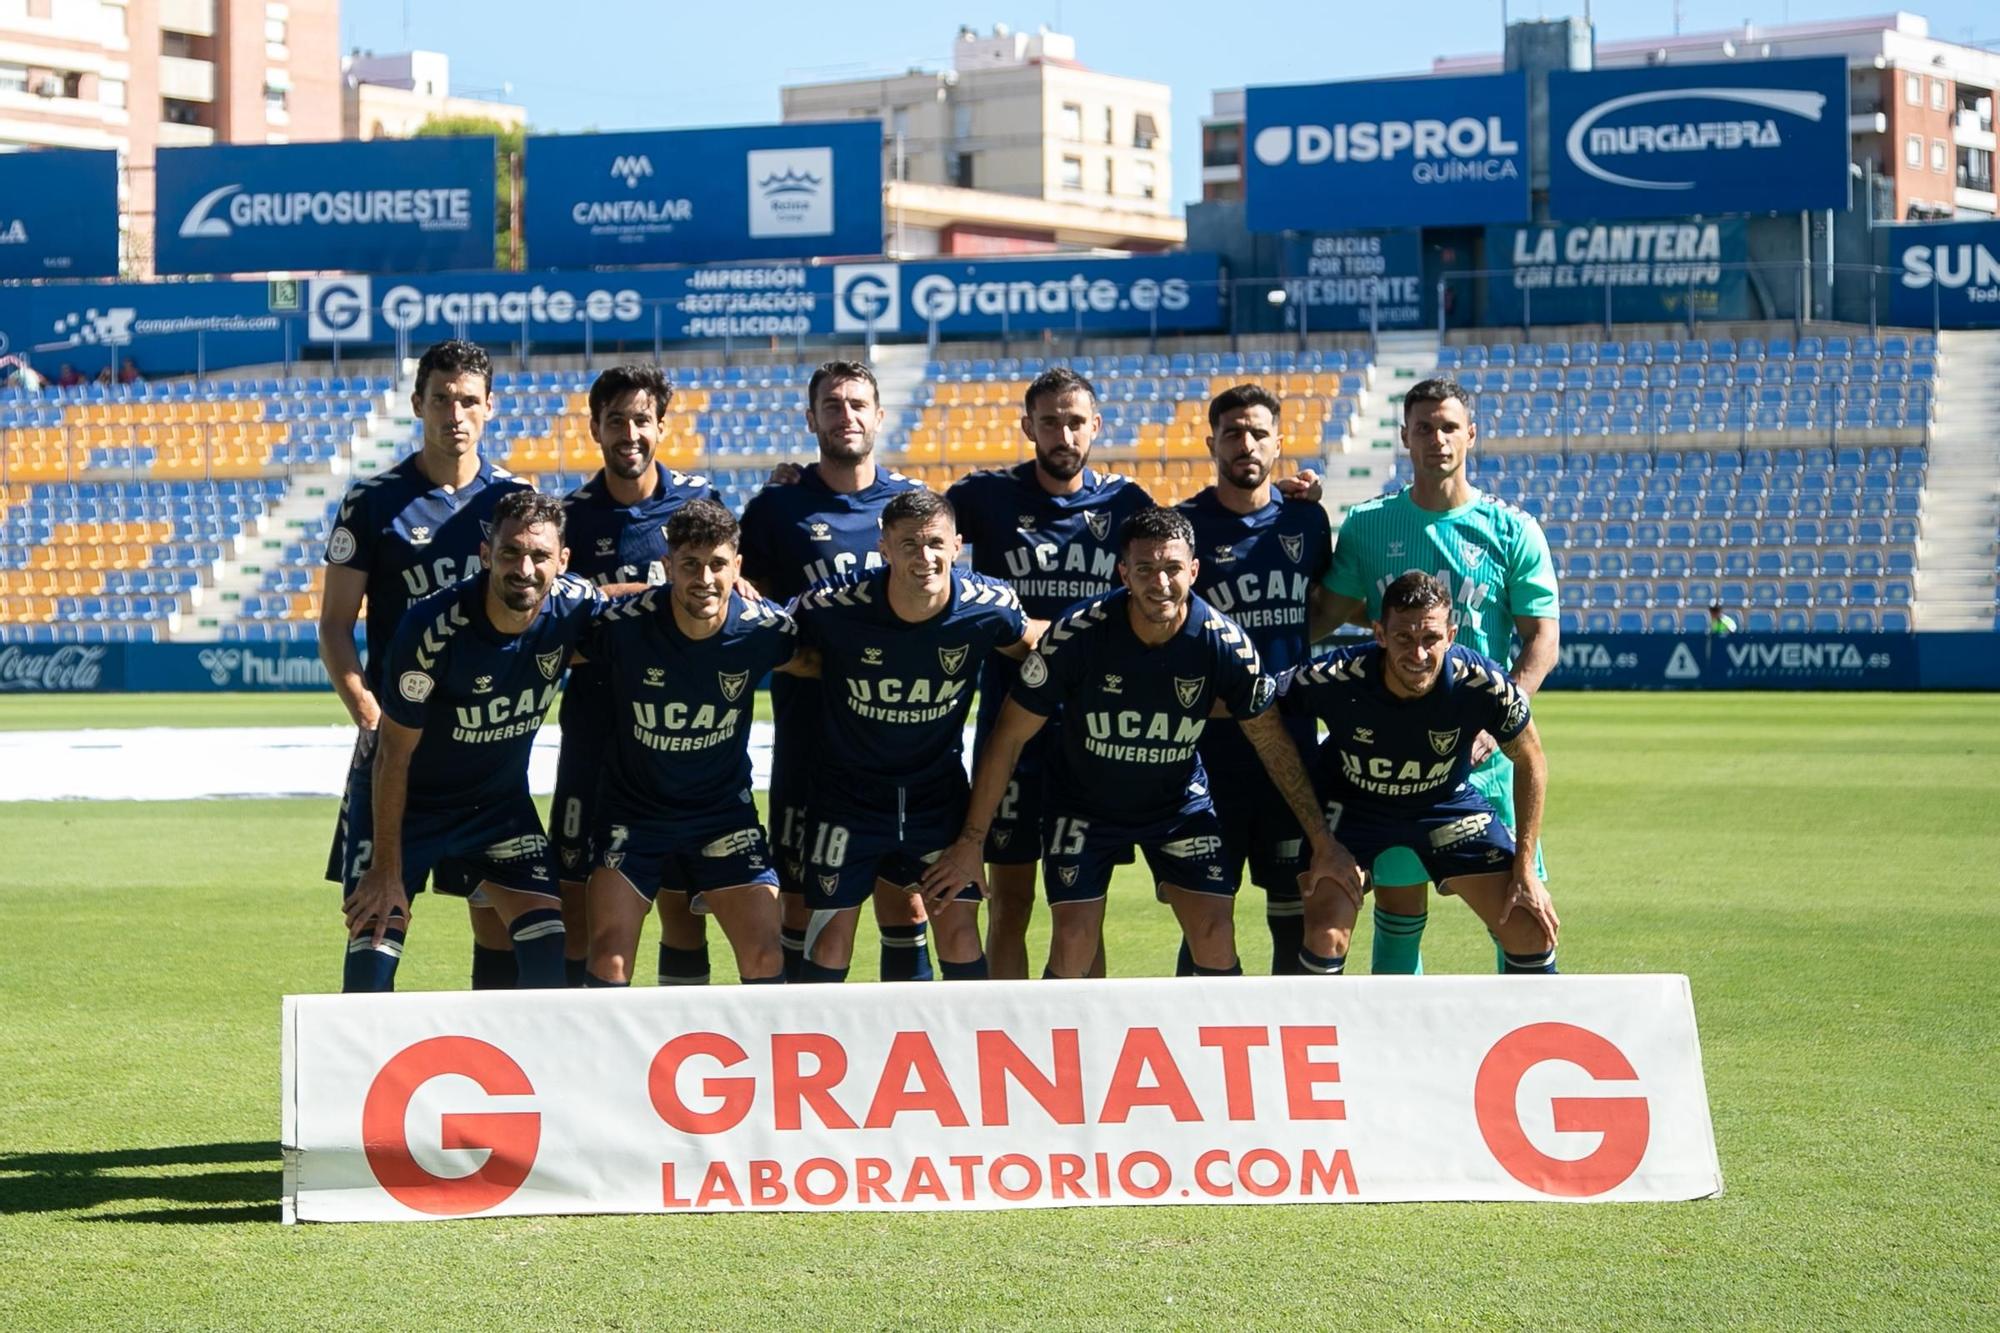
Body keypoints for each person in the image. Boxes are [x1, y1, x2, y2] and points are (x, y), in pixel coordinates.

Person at [922, 507, 1358, 979]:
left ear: (1194, 570)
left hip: (1176, 807)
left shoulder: (1225, 645)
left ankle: (1211, 1050)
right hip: (1084, 805)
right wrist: (970, 842)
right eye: (1145, 569)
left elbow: (1273, 744)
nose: (1161, 582)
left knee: (1215, 931)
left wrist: (1323, 840)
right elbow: (1008, 736)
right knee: (1072, 941)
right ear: (1123, 572)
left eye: (1172, 568)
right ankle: (1068, 1052)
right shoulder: (1077, 635)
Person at [1316, 376, 1558, 975]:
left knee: (1517, 915)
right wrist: (1295, 519)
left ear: (1470, 434)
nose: (1437, 438)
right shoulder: (1369, 525)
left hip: (1485, 755)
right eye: (1423, 427)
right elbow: (1319, 617)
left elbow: (1541, 641)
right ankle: (1395, 1061)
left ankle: (1519, 1056)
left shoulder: (1512, 529)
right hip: (1395, 763)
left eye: (1449, 426)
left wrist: (1506, 715)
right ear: (1404, 437)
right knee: (1400, 911)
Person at [320, 339, 532, 990]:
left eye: (469, 400)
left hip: (483, 754)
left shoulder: (516, 504)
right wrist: (366, 710)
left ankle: (496, 1076)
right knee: (375, 917)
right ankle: (361, 1079)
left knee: (497, 923)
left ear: (491, 407)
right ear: (418, 404)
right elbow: (334, 625)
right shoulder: (374, 500)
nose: (455, 413)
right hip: (396, 751)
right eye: (441, 398)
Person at [341, 491, 604, 991]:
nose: (524, 568)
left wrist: (704, 589)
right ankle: (358, 1068)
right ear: (486, 555)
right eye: (510, 553)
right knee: (374, 945)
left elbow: (627, 602)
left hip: (495, 807)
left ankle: (524, 1067)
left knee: (549, 951)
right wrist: (385, 869)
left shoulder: (575, 607)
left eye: (540, 556)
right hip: (406, 805)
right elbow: (394, 755)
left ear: (563, 562)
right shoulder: (431, 628)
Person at [942, 367, 1154, 979]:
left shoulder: (1127, 504)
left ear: (1096, 427)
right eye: (1051, 422)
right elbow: (917, 527)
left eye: (1075, 421)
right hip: (1013, 729)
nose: (1064, 433)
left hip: (1097, 736)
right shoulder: (983, 497)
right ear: (1029, 426)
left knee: (1083, 907)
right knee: (1009, 901)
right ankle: (1006, 1039)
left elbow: (1179, 548)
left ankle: (1087, 1044)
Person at [790, 489, 1042, 982]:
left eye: (934, 544)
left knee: (960, 932)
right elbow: (761, 636)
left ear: (956, 547)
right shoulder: (834, 603)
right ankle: (813, 1053)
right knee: (831, 940)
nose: (923, 558)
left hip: (937, 797)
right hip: (846, 799)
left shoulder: (988, 607)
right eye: (908, 545)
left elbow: (1038, 646)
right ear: (883, 548)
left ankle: (967, 1052)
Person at [737, 361, 932, 983]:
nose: (844, 416)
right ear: (811, 417)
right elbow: (751, 614)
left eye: (856, 404)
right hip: (810, 742)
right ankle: (800, 1055)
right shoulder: (776, 508)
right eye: (831, 405)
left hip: (898, 742)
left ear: (877, 415)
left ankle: (913, 1054)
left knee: (905, 898)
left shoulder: (912, 508)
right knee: (801, 903)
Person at [1279, 571, 1559, 974]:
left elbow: (1531, 759)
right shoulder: (1337, 676)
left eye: (1430, 639)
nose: (1419, 654)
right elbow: (1263, 711)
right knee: (1327, 936)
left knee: (1529, 928)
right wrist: (1320, 838)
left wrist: (1525, 869)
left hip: (1444, 804)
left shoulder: (1485, 684)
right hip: (1351, 808)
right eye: (1403, 639)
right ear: (1379, 633)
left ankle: (1539, 1036)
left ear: (1450, 635)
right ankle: (1319, 1033)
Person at [577, 500, 799, 987]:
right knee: (610, 958)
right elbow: (558, 633)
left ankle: (765, 1059)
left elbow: (820, 663)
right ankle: (611, 1064)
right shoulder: (625, 624)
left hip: (721, 813)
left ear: (737, 567)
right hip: (633, 813)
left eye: (718, 565)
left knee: (765, 955)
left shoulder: (766, 629)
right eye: (690, 564)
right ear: (667, 567)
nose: (705, 578)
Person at [554, 364, 722, 986]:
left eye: (642, 420)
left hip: (679, 737)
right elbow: (557, 628)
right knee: (579, 905)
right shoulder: (569, 517)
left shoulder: (701, 504)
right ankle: (578, 1054)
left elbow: (727, 599)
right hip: (595, 734)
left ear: (661, 426)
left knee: (682, 909)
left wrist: (608, 599)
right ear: (595, 427)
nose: (630, 433)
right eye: (616, 420)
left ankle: (685, 1058)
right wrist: (651, 595)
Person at [1176, 384, 1343, 975]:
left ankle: (1287, 1054)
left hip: (1292, 751)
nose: (1244, 444)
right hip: (1207, 756)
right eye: (1232, 433)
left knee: (1291, 913)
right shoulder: (1185, 527)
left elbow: (1321, 606)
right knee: (1205, 922)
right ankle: (1195, 1051)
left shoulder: (1306, 519)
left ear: (1278, 443)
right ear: (1211, 443)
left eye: (1257, 433)